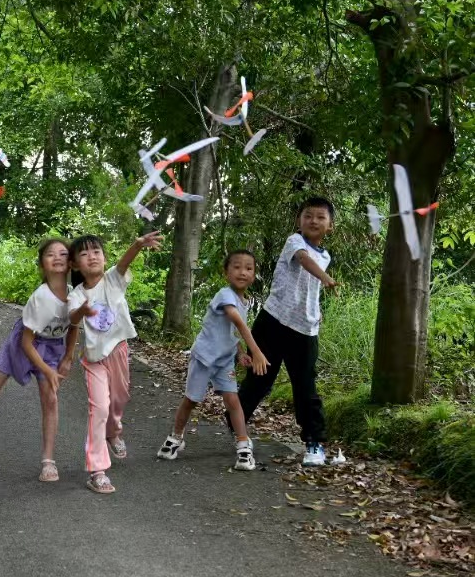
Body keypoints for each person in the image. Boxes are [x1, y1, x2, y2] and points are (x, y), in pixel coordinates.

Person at [233, 197, 337, 466]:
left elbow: (309, 289)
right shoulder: (295, 242)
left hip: (305, 330)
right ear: (299, 221)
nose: (313, 221)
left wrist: (316, 311)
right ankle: (237, 424)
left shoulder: (326, 256)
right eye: (308, 216)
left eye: (320, 217)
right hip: (274, 321)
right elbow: (304, 262)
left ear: (331, 226)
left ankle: (314, 442)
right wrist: (325, 278)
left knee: (306, 387)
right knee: (260, 379)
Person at [0, 238, 79, 482]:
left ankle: (48, 461)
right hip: (23, 345)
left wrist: (68, 357)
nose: (58, 257)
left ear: (72, 262)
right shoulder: (40, 298)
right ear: (42, 264)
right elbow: (26, 343)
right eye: (50, 254)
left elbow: (74, 326)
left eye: (63, 253)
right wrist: (47, 370)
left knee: (50, 400)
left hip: (53, 348)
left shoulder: (75, 295)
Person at [68, 231, 162, 494]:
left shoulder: (113, 280)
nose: (92, 257)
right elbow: (72, 320)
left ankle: (114, 431)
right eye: (84, 254)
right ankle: (97, 471)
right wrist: (81, 311)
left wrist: (138, 244)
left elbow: (124, 263)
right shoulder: (76, 294)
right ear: (75, 265)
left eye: (96, 251)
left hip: (119, 351)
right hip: (95, 360)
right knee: (99, 409)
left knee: (119, 401)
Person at [157, 250, 267, 471]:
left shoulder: (244, 302)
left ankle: (243, 446)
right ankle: (175, 437)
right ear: (226, 272)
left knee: (233, 401)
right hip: (204, 358)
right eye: (236, 267)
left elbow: (230, 333)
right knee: (192, 400)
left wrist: (240, 353)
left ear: (254, 275)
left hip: (224, 361)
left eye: (248, 268)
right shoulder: (224, 295)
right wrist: (257, 352)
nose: (242, 272)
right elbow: (236, 322)